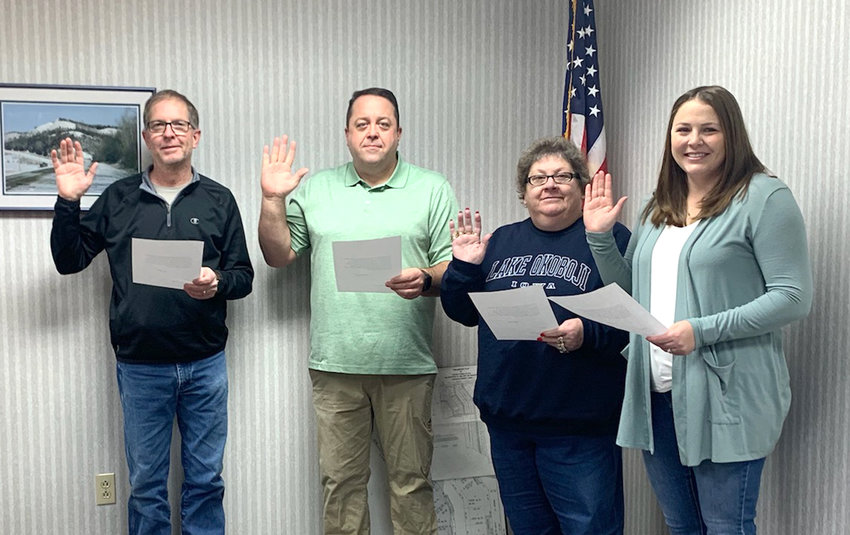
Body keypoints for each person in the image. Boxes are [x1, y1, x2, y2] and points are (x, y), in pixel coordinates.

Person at [583, 85, 813, 534]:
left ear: (733, 136)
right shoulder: (659, 206)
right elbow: (633, 293)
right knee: (682, 525)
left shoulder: (764, 198)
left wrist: (701, 331)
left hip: (728, 395)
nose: (694, 140)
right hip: (658, 394)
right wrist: (599, 237)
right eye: (683, 129)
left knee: (726, 526)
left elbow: (792, 296)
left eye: (710, 129)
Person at [50, 89, 254, 535]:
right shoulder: (119, 199)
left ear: (195, 135)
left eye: (178, 124)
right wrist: (68, 202)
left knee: (205, 481)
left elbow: (244, 276)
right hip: (140, 366)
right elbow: (69, 260)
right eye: (159, 125)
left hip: (205, 365)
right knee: (146, 487)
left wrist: (217, 282)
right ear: (146, 136)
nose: (169, 133)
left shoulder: (219, 200)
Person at [257, 87, 458, 534]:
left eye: (383, 124)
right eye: (362, 124)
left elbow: (452, 267)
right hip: (335, 367)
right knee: (341, 487)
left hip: (407, 365)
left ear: (399, 133)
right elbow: (278, 255)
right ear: (347, 134)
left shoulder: (432, 187)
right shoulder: (318, 189)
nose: (373, 133)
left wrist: (426, 278)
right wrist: (272, 199)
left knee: (411, 485)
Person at [440, 137, 630, 535]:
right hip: (508, 423)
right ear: (523, 193)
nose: (550, 184)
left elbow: (635, 319)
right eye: (537, 178)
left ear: (581, 186)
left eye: (562, 176)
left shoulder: (610, 238)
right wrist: (464, 266)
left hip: (578, 428)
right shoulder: (501, 241)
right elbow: (462, 313)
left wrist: (587, 333)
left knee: (589, 529)